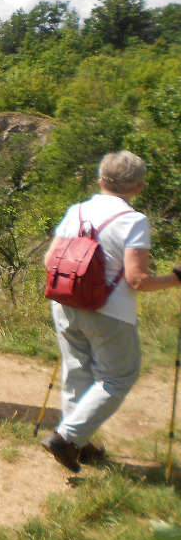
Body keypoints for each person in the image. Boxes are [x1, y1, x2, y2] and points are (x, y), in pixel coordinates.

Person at [41, 151, 181, 472]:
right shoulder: (134, 221)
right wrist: (175, 278)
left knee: (77, 370)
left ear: (100, 180)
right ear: (139, 187)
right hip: (110, 311)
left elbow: (50, 261)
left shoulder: (76, 211)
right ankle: (67, 438)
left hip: (64, 302)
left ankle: (78, 444)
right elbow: (138, 280)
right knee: (119, 376)